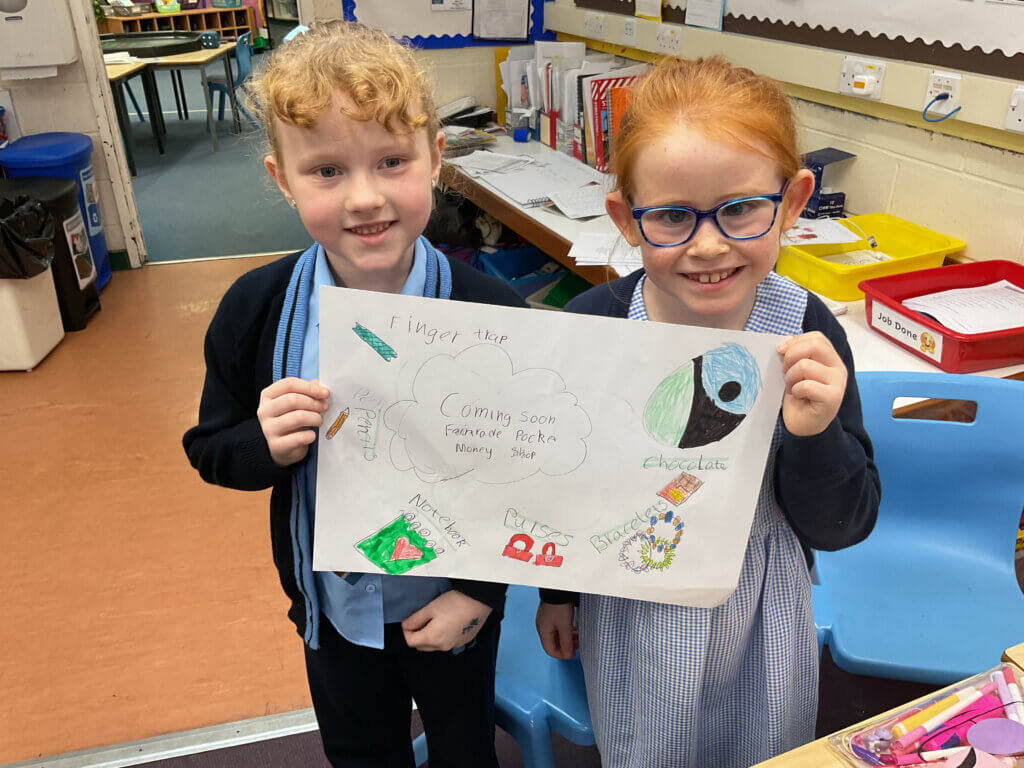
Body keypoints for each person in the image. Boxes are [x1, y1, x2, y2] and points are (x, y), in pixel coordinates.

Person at [182, 22, 525, 768]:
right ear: (282, 178)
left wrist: (480, 593)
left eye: (392, 161)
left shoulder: (490, 313)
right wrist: (261, 446)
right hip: (334, 615)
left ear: (436, 158)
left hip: (449, 604)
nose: (365, 198)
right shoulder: (257, 309)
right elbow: (209, 449)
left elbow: (523, 478)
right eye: (327, 171)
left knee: (466, 753)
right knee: (361, 755)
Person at [535, 56, 881, 767]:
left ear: (792, 202)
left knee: (764, 748)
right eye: (670, 216)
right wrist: (557, 594)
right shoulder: (595, 322)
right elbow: (561, 485)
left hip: (760, 605)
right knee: (645, 749)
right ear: (626, 221)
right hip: (634, 600)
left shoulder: (807, 328)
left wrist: (815, 435)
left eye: (742, 208)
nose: (709, 245)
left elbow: (843, 524)